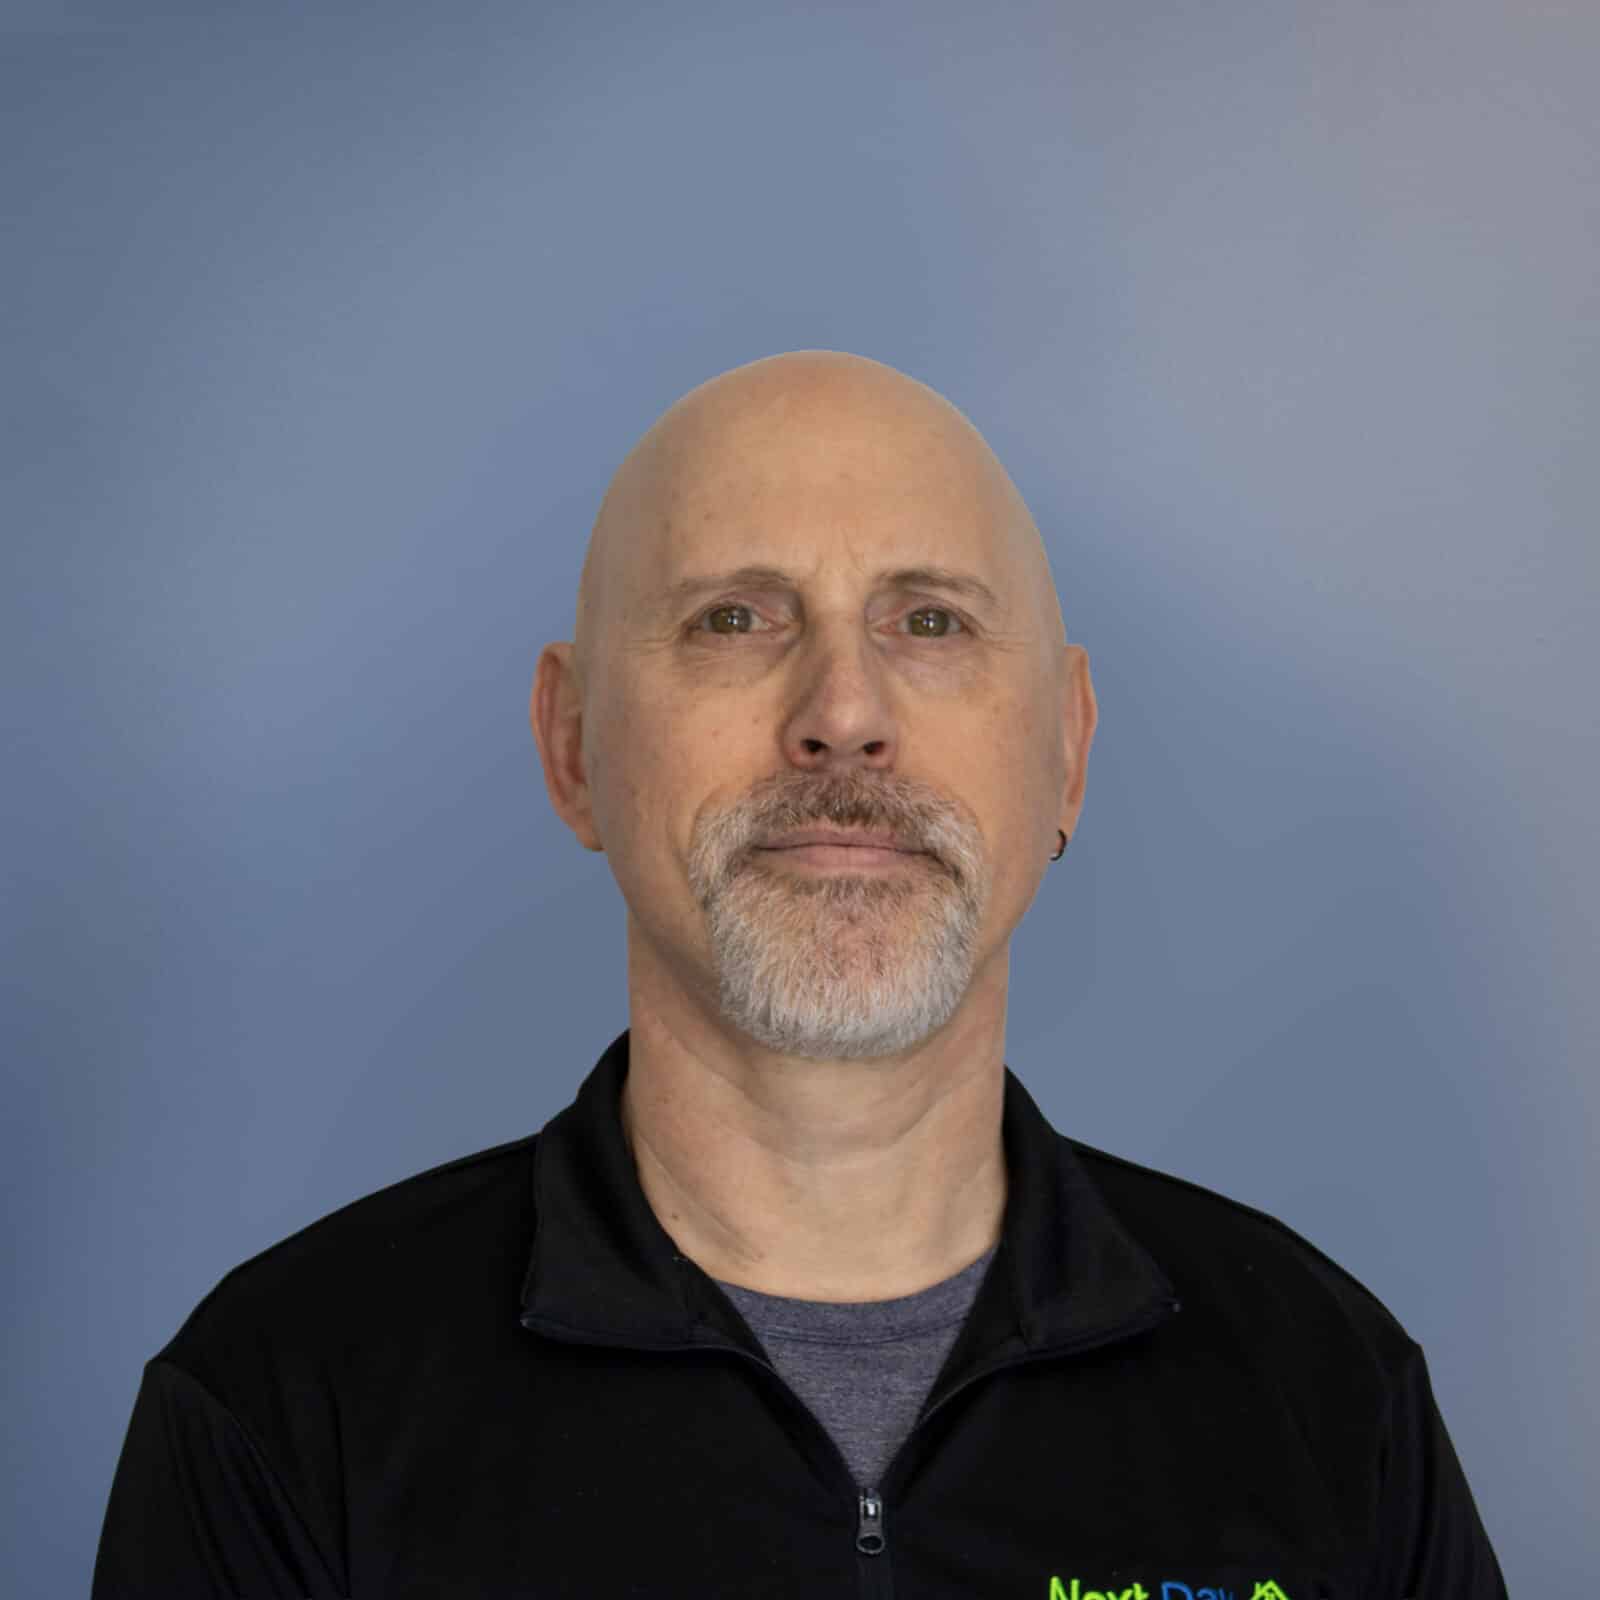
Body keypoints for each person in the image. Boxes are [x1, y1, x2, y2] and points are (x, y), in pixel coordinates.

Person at [93, 350, 1507, 1598]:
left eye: (930, 622)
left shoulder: (1324, 1386)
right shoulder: (287, 1407)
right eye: (736, 619)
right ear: (573, 746)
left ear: (1067, 752)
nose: (842, 715)